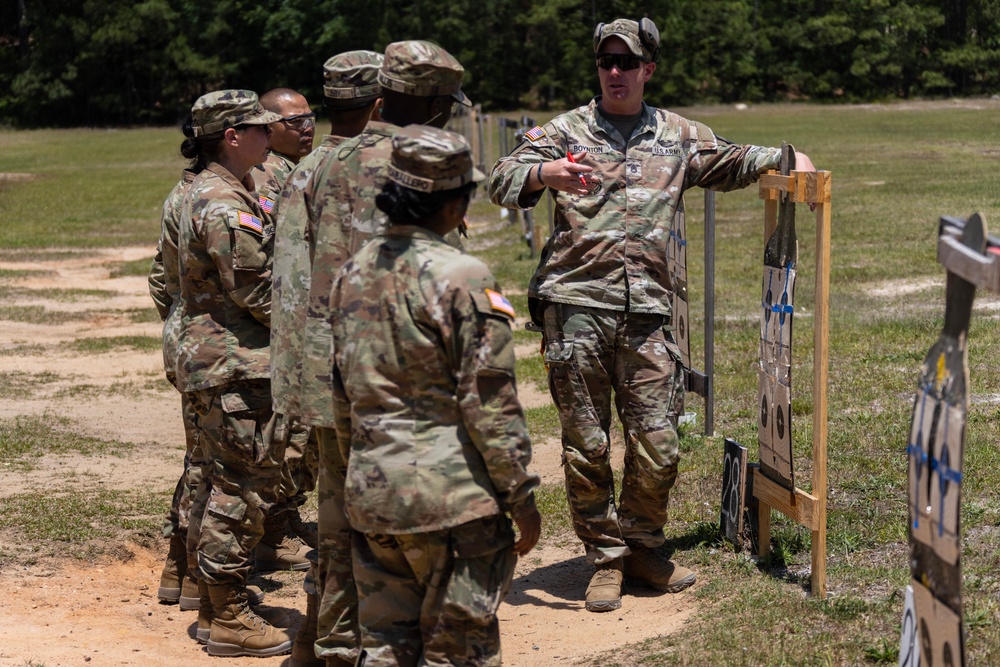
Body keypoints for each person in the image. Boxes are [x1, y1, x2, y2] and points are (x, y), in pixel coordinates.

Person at [488, 17, 816, 613]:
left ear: (648, 70)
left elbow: (733, 159)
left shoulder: (678, 134)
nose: (615, 72)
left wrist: (791, 156)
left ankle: (642, 544)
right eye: (605, 62)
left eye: (626, 62)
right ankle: (607, 560)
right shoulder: (564, 130)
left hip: (646, 312)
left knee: (659, 442)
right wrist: (544, 172)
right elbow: (500, 179)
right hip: (576, 308)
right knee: (587, 445)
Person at [271, 41, 468, 667]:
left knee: (338, 521)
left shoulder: (327, 161)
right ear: (435, 105)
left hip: (333, 371)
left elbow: (296, 274)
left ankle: (330, 646)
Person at [329, 124, 541, 667]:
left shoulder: (352, 272)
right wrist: (520, 494)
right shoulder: (461, 275)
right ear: (452, 204)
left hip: (374, 494)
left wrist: (362, 466)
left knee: (383, 649)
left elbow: (342, 395)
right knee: (458, 653)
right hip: (451, 501)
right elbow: (489, 400)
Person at [270, 49, 383, 667]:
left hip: (318, 368)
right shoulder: (388, 164)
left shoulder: (303, 170)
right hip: (375, 372)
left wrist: (294, 381)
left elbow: (285, 282)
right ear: (380, 100)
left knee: (334, 514)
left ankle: (325, 642)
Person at [175, 89, 293, 657]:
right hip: (234, 363)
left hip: (225, 360)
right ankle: (229, 615)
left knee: (225, 481)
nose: (271, 137)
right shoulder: (222, 202)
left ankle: (212, 604)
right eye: (262, 130)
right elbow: (255, 288)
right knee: (241, 488)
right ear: (232, 136)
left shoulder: (227, 189)